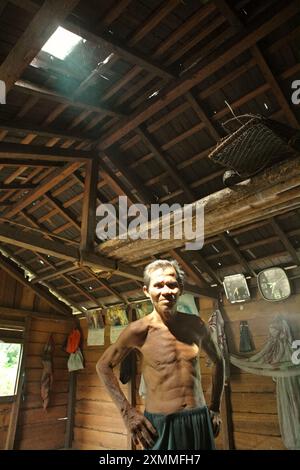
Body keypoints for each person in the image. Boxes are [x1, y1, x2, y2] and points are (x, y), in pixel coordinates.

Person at [96, 259, 224, 450]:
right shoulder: (138, 331)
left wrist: (214, 407)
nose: (166, 291)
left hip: (199, 419)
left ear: (180, 288)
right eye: (158, 285)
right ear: (147, 291)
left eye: (172, 285)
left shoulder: (196, 325)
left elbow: (218, 361)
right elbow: (103, 366)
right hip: (161, 425)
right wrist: (127, 412)